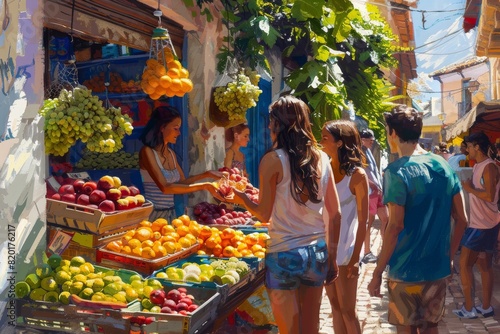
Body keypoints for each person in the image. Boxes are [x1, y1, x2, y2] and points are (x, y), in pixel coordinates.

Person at [226, 95, 342, 334]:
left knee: (289, 330)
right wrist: (331, 256)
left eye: (270, 122)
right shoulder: (322, 159)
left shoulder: (272, 160)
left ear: (276, 124)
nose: (268, 127)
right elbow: (336, 213)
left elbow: (263, 215)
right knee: (310, 328)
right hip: (317, 252)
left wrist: (241, 197)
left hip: (284, 253)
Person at [367, 105, 468, 333]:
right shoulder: (443, 166)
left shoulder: (396, 171)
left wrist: (377, 272)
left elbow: (394, 226)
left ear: (392, 133)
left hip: (405, 271)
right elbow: (462, 218)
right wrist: (449, 257)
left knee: (406, 328)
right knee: (431, 327)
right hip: (436, 268)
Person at [321, 120, 369, 334]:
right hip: (326, 251)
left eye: (325, 138)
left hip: (347, 251)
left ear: (340, 143)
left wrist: (356, 258)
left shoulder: (357, 175)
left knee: (349, 311)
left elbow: (364, 220)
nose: (320, 142)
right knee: (335, 308)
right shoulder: (324, 169)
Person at [139, 106, 222, 221]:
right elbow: (165, 188)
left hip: (171, 213)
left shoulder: (171, 154)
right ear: (162, 127)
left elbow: (182, 182)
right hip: (154, 216)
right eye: (175, 128)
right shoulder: (147, 152)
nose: (178, 133)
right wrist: (204, 186)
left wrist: (207, 174)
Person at [453, 132, 500, 319]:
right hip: (487, 222)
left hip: (481, 225)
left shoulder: (489, 167)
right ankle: (486, 307)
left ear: (477, 147)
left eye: (469, 146)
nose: (467, 150)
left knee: (464, 264)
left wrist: (469, 188)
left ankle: (469, 307)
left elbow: (489, 196)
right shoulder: (481, 166)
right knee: (484, 265)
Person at [359, 129, 388, 264]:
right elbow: (360, 173)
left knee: (386, 219)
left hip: (377, 191)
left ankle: (385, 249)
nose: (372, 142)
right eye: (370, 139)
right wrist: (372, 185)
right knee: (368, 223)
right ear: (362, 139)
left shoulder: (368, 150)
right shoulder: (359, 152)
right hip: (370, 193)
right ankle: (366, 252)